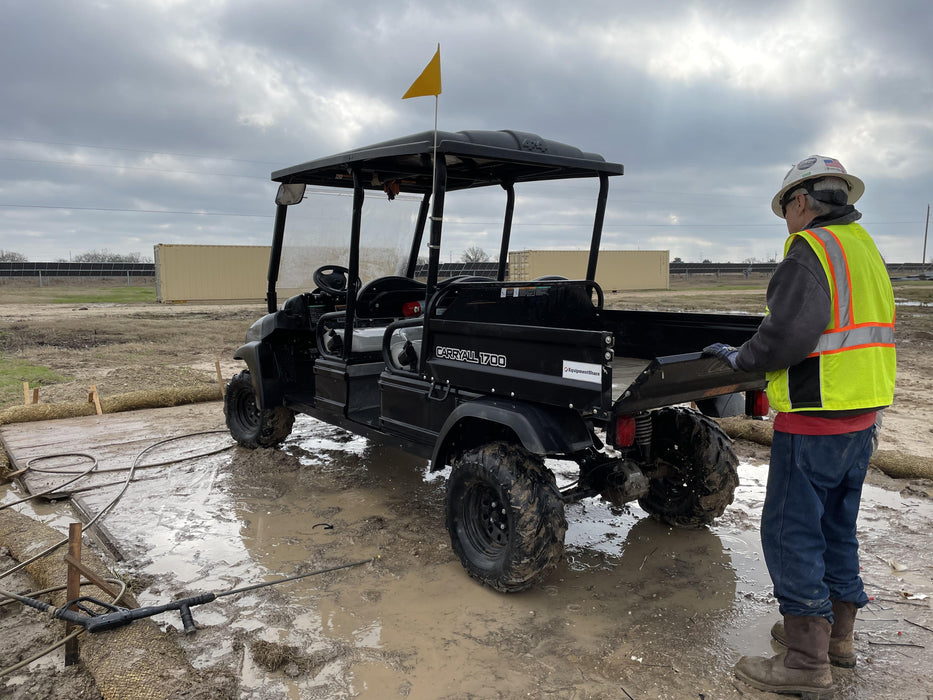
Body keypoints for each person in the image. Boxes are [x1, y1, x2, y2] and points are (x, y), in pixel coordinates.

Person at [702, 155, 896, 698]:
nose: (785, 220)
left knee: (792, 532)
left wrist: (738, 360)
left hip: (816, 415)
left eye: (784, 208)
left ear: (802, 201)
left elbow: (785, 337)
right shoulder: (863, 246)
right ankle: (837, 638)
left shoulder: (810, 249)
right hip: (861, 415)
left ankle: (807, 660)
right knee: (836, 526)